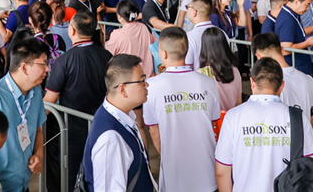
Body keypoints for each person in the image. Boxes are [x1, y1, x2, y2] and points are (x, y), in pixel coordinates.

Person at [214, 57, 313, 192]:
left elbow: (222, 171)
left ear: (252, 82)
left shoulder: (233, 117)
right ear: (282, 86)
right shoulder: (298, 117)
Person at [141, 27, 220, 192]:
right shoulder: (208, 82)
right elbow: (213, 122)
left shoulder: (151, 86)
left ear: (163, 53)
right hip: (206, 169)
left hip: (173, 173)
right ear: (187, 50)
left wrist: (169, 153)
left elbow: (154, 131)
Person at [43, 12, 111, 189]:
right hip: (102, 126)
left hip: (72, 130)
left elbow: (49, 102)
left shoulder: (64, 61)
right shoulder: (107, 56)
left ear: (72, 31)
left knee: (71, 175)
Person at [0, 39, 49, 192]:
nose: (47, 69)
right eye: (43, 64)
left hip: (23, 185)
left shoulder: (35, 94)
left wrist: (39, 154)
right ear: (25, 68)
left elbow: (38, 130)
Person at [81, 54, 154, 192]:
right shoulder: (111, 139)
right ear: (122, 89)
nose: (147, 84)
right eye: (142, 80)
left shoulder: (120, 116)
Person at [252, 32, 313, 128]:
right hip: (304, 140)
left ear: (259, 57)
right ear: (282, 49)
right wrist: (302, 126)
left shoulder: (266, 84)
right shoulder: (307, 79)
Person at [276, 0, 313, 75]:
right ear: (296, 1)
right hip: (295, 68)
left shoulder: (292, 14)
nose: (308, 8)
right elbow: (286, 49)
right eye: (307, 5)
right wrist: (307, 43)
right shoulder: (287, 20)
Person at [105, 0, 157, 77]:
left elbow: (108, 53)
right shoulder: (145, 27)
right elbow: (155, 42)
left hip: (130, 79)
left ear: (119, 16)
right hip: (149, 76)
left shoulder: (117, 34)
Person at [199, 27, 243, 111]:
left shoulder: (202, 73)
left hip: (214, 123)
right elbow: (238, 104)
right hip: (231, 120)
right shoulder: (235, 71)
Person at [184, 0, 217, 70]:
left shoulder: (189, 37)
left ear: (194, 12)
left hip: (197, 81)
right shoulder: (222, 33)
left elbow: (187, 68)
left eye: (187, 7)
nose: (186, 10)